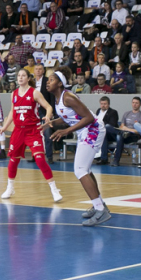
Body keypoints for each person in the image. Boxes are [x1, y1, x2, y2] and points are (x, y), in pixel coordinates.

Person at [45, 67, 110, 226]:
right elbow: (68, 117)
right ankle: (99, 205)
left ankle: (101, 210)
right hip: (85, 130)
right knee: (85, 170)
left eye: (51, 80)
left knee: (80, 170)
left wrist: (67, 130)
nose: (48, 82)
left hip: (93, 129)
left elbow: (88, 117)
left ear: (60, 83)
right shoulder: (58, 98)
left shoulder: (68, 97)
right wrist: (51, 123)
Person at [0, 69, 61, 202]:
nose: (20, 78)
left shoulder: (35, 93)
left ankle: (54, 189)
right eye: (19, 76)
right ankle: (10, 187)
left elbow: (49, 107)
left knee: (40, 159)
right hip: (18, 131)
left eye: (23, 75)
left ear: (28, 78)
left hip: (33, 130)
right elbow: (12, 112)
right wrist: (4, 127)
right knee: (13, 161)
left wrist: (48, 117)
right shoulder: (13, 94)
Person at [94, 96, 119, 165]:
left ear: (108, 104)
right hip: (99, 132)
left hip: (110, 133)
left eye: (105, 104)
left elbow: (112, 124)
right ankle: (95, 156)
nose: (103, 105)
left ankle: (103, 158)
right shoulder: (98, 111)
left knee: (104, 131)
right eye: (102, 104)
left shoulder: (113, 112)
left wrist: (101, 126)